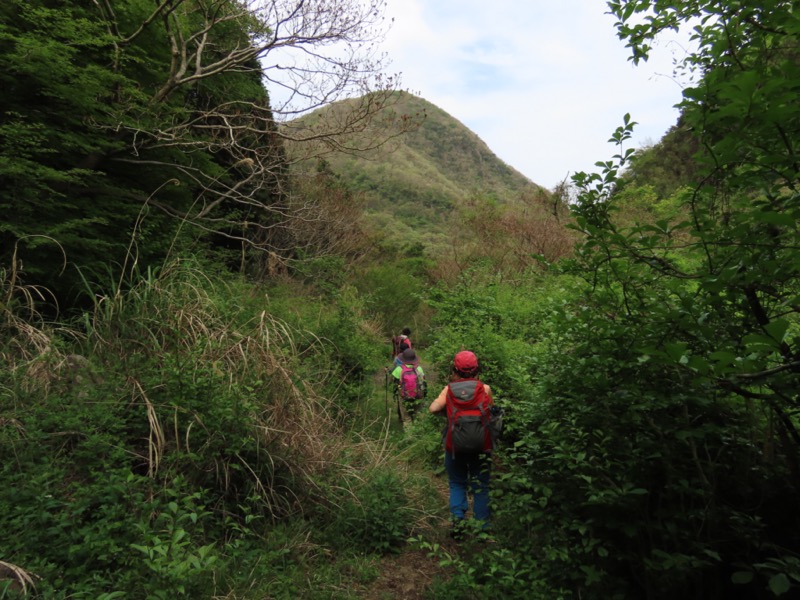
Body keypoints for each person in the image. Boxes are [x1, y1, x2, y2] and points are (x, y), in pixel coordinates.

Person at [428, 350, 494, 538]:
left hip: (455, 446)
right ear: (476, 369)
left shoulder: (449, 390)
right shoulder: (485, 389)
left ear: (455, 369)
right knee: (481, 485)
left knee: (457, 483)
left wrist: (448, 413)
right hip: (481, 446)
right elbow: (492, 410)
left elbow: (433, 409)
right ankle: (482, 529)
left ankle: (458, 524)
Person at [391, 348, 426, 422]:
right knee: (418, 415)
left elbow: (394, 381)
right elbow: (423, 381)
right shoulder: (419, 368)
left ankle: (409, 432)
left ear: (403, 359)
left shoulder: (399, 369)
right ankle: (419, 431)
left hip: (404, 396)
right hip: (418, 395)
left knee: (406, 417)